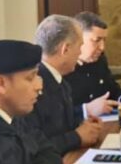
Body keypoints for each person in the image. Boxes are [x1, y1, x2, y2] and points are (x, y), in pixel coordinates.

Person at [24, 14, 103, 155]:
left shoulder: (60, 81)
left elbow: (62, 126)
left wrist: (84, 125)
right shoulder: (32, 87)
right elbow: (33, 147)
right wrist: (77, 137)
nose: (80, 52)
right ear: (65, 49)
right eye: (79, 46)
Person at [65, 11, 121, 112]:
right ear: (78, 39)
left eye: (104, 40)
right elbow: (56, 113)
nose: (102, 47)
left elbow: (112, 90)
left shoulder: (100, 60)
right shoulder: (62, 67)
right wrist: (86, 110)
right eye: (97, 40)